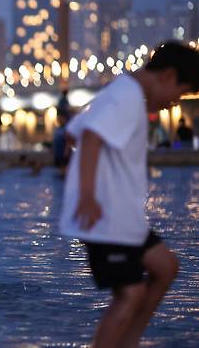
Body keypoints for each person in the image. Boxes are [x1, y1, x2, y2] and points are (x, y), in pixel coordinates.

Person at [59, 41, 199, 347]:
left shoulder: (122, 93)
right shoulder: (126, 96)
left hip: (122, 217)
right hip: (103, 216)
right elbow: (92, 136)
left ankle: (128, 341)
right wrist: (87, 195)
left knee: (166, 267)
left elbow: (74, 132)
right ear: (167, 76)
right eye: (181, 92)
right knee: (130, 293)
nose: (175, 102)